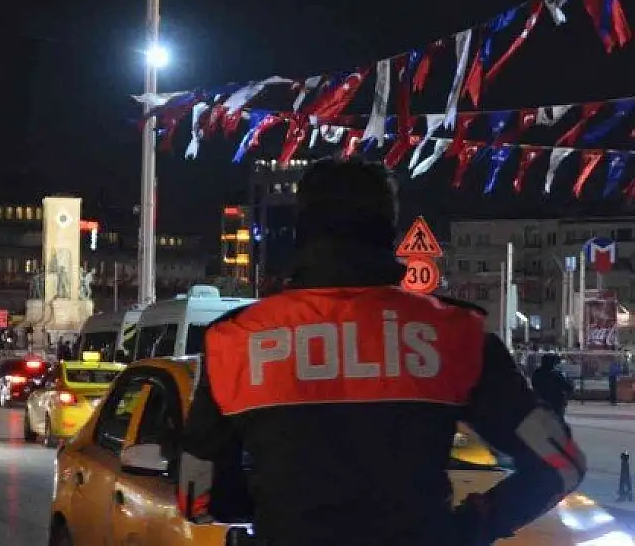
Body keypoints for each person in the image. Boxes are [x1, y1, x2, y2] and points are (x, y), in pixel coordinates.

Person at [180, 157, 585, 546]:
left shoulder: (235, 340)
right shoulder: (455, 335)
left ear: (301, 229)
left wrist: (272, 514)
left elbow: (196, 495)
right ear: (388, 230)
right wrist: (465, 531)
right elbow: (560, 466)